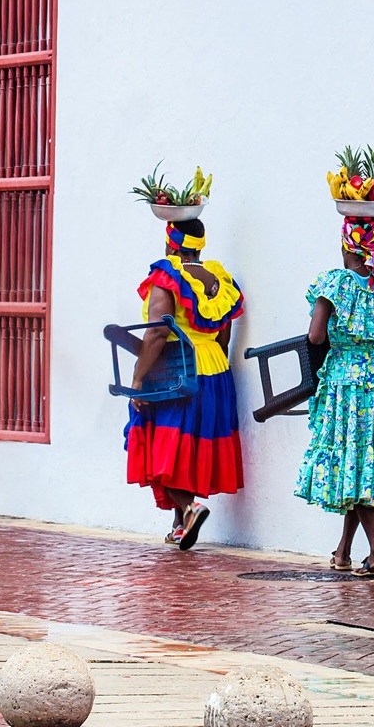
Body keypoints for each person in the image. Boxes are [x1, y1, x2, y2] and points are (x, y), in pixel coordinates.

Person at [294, 216, 374, 577]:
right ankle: (344, 551)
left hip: (344, 383)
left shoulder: (335, 284)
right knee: (362, 464)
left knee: (352, 463)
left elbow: (315, 337)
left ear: (346, 244)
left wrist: (337, 332)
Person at [124, 218, 245, 550]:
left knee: (161, 443)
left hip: (178, 369)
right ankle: (179, 524)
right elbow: (224, 333)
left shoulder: (167, 279)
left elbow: (158, 332)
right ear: (199, 245)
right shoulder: (220, 278)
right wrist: (213, 368)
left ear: (170, 243)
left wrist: (138, 378)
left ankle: (191, 508)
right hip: (215, 369)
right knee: (189, 444)